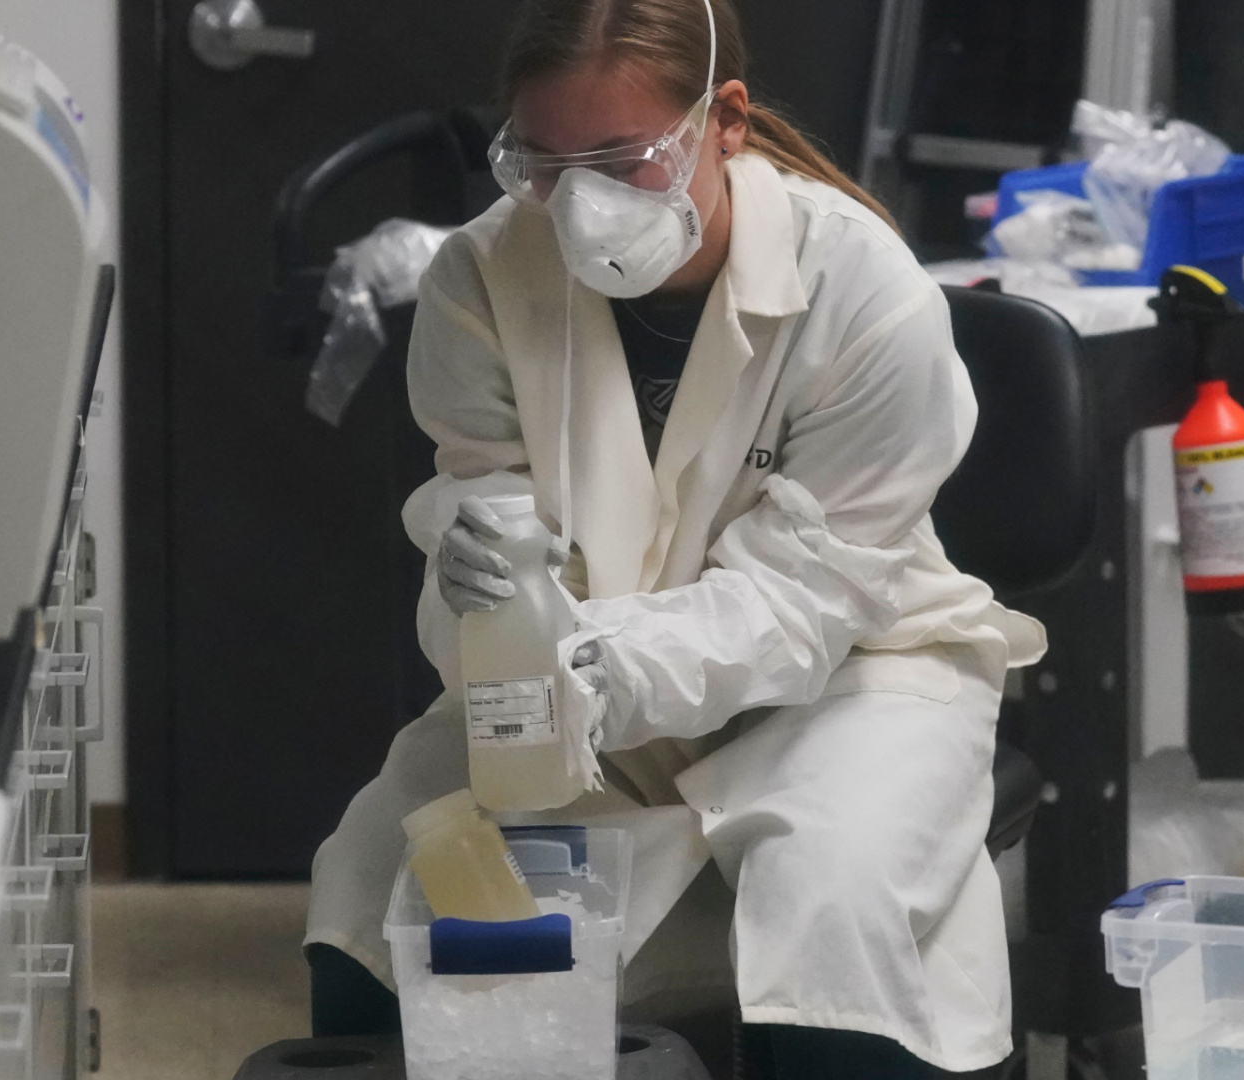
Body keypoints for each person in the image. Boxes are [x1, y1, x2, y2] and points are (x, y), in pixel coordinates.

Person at [303, 0, 1046, 1075]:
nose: (580, 207)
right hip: (574, 686)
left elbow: (802, 606)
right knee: (383, 871)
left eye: (621, 158)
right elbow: (486, 536)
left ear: (725, 120)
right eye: (546, 167)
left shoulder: (865, 293)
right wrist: (472, 598)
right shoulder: (482, 280)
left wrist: (588, 668)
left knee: (826, 889)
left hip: (854, 675)